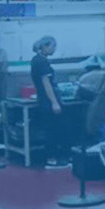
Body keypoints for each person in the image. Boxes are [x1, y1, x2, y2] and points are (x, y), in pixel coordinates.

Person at [30, 36, 69, 169]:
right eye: (53, 46)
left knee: (51, 129)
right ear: (45, 46)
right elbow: (46, 84)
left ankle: (52, 158)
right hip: (47, 101)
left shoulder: (37, 60)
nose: (54, 49)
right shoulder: (41, 62)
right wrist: (54, 102)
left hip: (44, 100)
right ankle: (52, 159)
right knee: (52, 130)